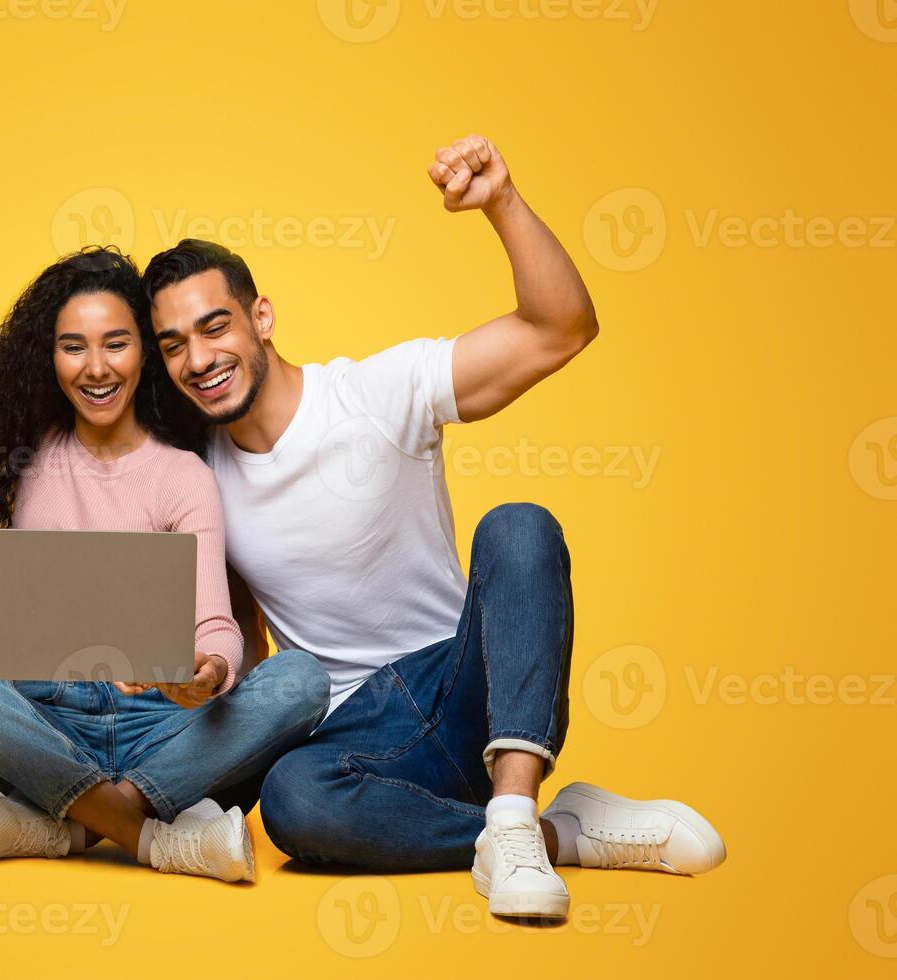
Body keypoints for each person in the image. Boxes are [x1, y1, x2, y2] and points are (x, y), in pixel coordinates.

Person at [141, 136, 725, 916]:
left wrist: (502, 203)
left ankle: (513, 805)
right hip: (357, 737)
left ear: (262, 316)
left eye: (214, 327)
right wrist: (194, 680)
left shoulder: (378, 391)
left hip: (464, 688)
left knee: (520, 526)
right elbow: (245, 645)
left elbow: (562, 328)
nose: (199, 357)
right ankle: (553, 835)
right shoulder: (197, 479)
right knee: (291, 803)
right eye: (174, 345)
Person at [0, 60, 329, 883]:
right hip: (36, 716)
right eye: (72, 346)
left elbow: (216, 626)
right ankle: (145, 833)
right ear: (47, 357)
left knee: (295, 680)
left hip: (158, 730)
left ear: (145, 352)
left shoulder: (182, 474)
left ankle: (65, 821)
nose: (95, 366)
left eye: (116, 342)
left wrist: (209, 671)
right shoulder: (33, 437)